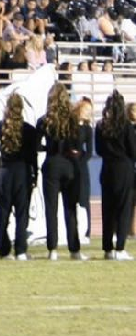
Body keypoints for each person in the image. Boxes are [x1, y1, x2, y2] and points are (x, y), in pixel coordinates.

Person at [36, 82, 86, 261]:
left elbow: (36, 144)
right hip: (70, 165)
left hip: (51, 164)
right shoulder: (73, 120)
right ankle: (74, 249)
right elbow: (78, 144)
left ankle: (53, 250)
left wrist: (47, 148)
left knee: (51, 208)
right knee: (70, 208)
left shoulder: (44, 120)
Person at [0, 94, 37, 260]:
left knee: (2, 213)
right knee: (21, 212)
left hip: (4, 172)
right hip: (22, 171)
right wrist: (35, 175)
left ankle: (3, 250)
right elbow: (32, 156)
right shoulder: (29, 130)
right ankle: (20, 250)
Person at [95, 92, 136, 260]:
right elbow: (133, 150)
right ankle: (120, 247)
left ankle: (107, 248)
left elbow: (98, 150)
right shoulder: (126, 126)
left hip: (107, 167)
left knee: (108, 208)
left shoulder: (100, 125)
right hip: (124, 168)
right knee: (124, 207)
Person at [73, 97, 94, 242]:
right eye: (86, 110)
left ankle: (86, 231)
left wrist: (80, 160)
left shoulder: (88, 129)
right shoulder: (71, 125)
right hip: (69, 163)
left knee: (84, 198)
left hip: (81, 166)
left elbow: (89, 151)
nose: (88, 113)